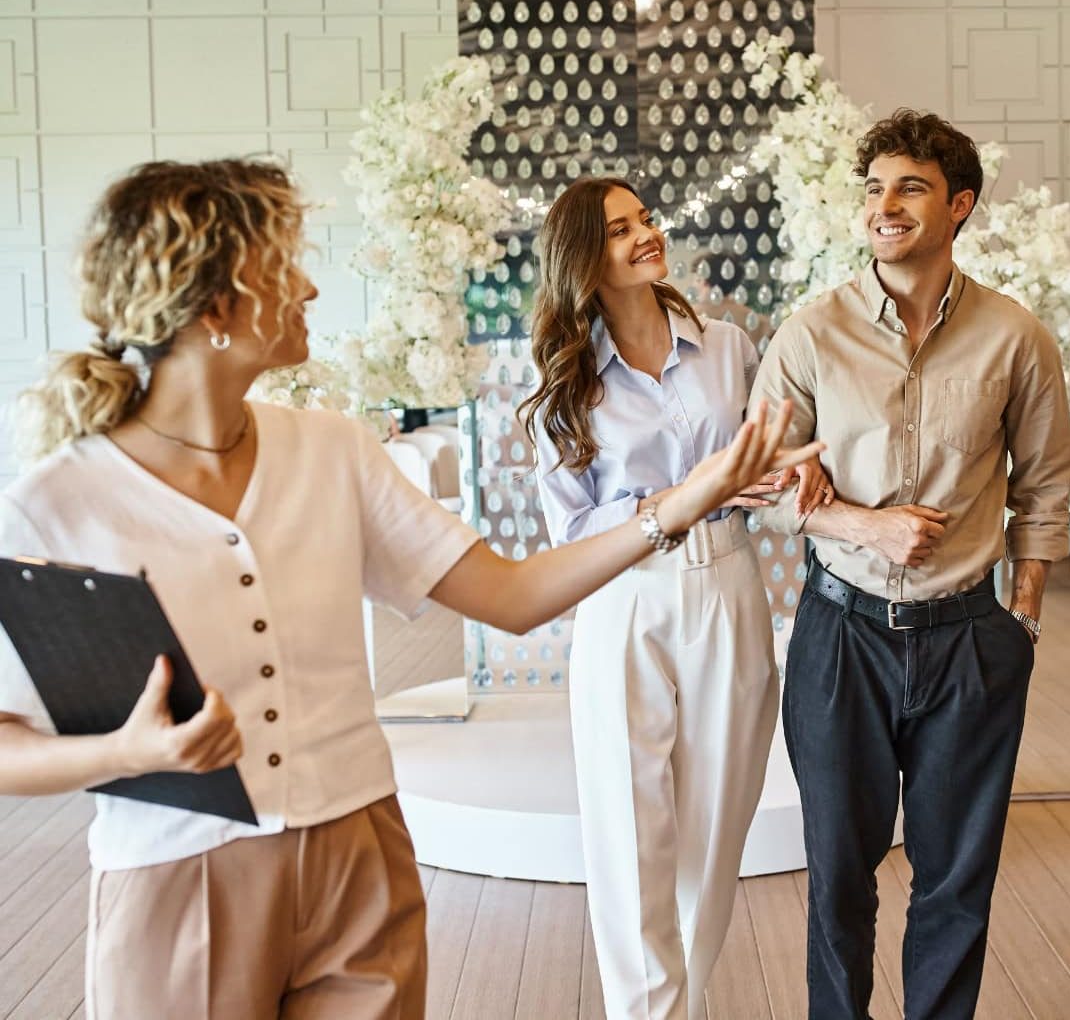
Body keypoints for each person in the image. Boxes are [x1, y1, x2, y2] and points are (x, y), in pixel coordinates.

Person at [0, 158, 825, 1020]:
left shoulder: (331, 450)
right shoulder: (56, 506)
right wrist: (125, 756)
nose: (312, 287)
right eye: (285, 266)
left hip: (362, 856)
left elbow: (510, 597)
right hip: (180, 869)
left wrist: (695, 498)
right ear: (216, 307)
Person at [750, 109, 1070, 1020]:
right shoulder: (810, 335)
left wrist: (1025, 616)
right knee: (839, 885)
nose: (883, 207)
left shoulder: (1016, 337)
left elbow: (1045, 484)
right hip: (840, 636)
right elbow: (759, 484)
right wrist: (865, 526)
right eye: (873, 189)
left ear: (959, 205)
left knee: (955, 884)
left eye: (910, 188)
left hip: (971, 640)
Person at [520, 176, 831, 1020]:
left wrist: (778, 473)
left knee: (713, 829)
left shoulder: (727, 346)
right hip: (624, 596)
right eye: (619, 230)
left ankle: (681, 1010)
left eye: (645, 220)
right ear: (585, 256)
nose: (645, 236)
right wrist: (685, 494)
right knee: (629, 835)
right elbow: (572, 531)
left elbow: (773, 455)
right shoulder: (565, 376)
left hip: (730, 583)